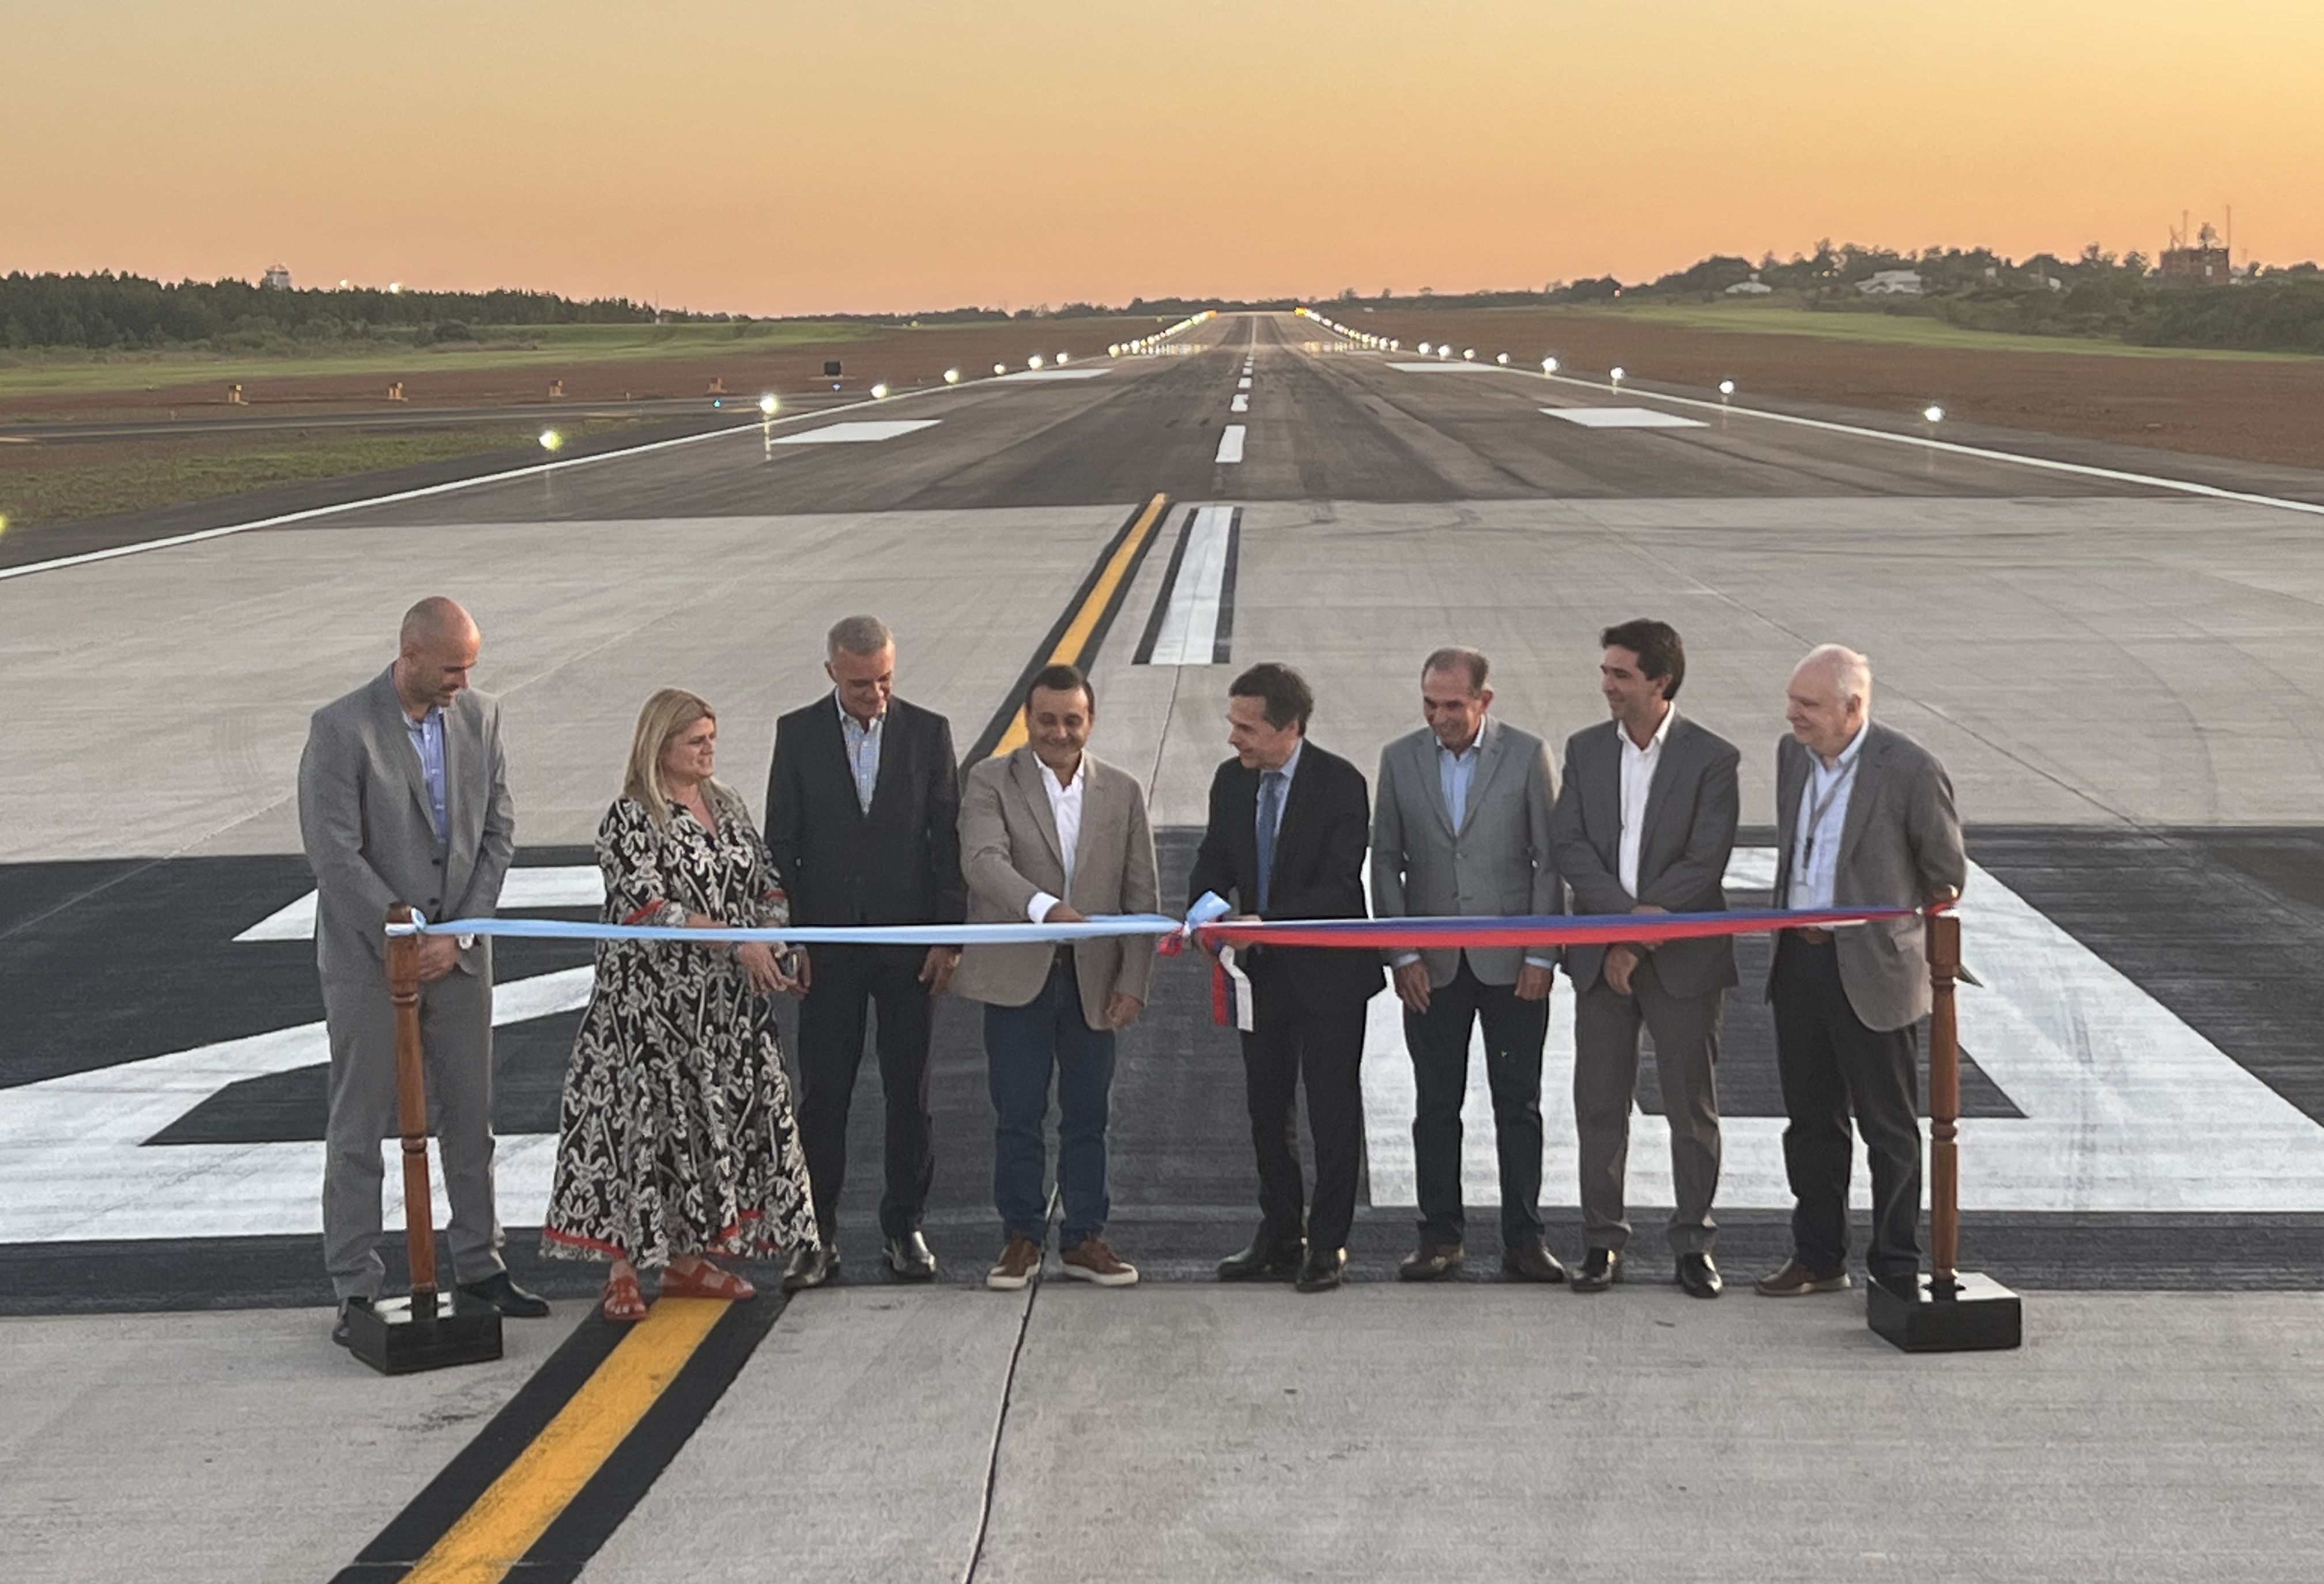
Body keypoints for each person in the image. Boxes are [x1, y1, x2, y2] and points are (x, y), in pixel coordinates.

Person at [297, 596, 547, 1347]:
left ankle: (480, 1263)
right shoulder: (340, 730)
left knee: (471, 1115)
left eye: (470, 668)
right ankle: (356, 1285)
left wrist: (460, 935)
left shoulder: (481, 717)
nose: (462, 684)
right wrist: (402, 932)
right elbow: (334, 853)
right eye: (449, 669)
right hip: (371, 959)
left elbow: (499, 832)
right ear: (408, 655)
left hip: (460, 956)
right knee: (361, 1122)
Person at [542, 690, 817, 1319]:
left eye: (711, 738)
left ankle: (688, 1257)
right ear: (660, 746)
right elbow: (648, 907)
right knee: (639, 1130)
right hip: (648, 1012)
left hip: (724, 1012)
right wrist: (735, 940)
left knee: (703, 1127)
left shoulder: (728, 804)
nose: (708, 750)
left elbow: (767, 879)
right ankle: (623, 1268)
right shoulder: (631, 818)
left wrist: (775, 941)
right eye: (696, 740)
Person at [1757, 644, 1966, 1299]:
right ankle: (1818, 1255)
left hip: (1873, 972)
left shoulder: (1908, 769)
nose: (1792, 715)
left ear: (1853, 707)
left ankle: (1896, 1264)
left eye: (1808, 705)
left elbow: (1946, 875)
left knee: (1889, 1128)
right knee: (1811, 1122)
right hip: (1801, 961)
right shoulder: (1794, 755)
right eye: (1792, 699)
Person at [764, 615, 966, 1290]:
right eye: (860, 684)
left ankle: (904, 1226)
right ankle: (814, 1234)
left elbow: (947, 840)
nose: (876, 695)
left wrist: (948, 934)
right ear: (831, 673)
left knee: (911, 1093)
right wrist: (794, 937)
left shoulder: (928, 733)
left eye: (885, 680)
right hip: (830, 949)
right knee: (824, 1093)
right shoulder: (797, 735)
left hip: (908, 946)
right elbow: (781, 843)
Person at [952, 664, 1159, 1292]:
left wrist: (1135, 979)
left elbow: (1140, 889)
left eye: (1073, 720)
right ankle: (1021, 1237)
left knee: (1089, 1112)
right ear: (1028, 719)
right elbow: (982, 861)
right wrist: (1046, 909)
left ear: (1089, 721)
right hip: (1020, 975)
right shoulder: (990, 780)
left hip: (1093, 980)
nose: (1060, 732)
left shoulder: (1121, 791)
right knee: (1018, 1111)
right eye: (1048, 719)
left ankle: (1084, 1235)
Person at [1550, 621, 1740, 1299]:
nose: (1607, 685)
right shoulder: (1583, 750)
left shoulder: (1713, 758)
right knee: (1599, 1103)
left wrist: (1635, 937)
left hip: (1680, 962)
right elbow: (1570, 847)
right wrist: (1620, 928)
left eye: (1621, 674)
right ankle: (1602, 1243)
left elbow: (1705, 862)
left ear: (1661, 682)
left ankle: (1694, 1243)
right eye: (1606, 671)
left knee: (1692, 1107)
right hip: (1603, 956)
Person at [1369, 647, 1565, 1285]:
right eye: (1430, 703)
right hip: (1433, 969)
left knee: (1519, 1104)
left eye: (1453, 704)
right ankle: (1440, 1236)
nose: (1439, 716)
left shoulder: (1528, 754)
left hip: (1513, 969)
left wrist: (1542, 951)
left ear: (1485, 700)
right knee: (1435, 1105)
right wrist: (1401, 953)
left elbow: (1549, 861)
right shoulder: (1400, 760)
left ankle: (1524, 1238)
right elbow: (1388, 861)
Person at [1189, 663, 1383, 1294]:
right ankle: (1279, 1233)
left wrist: (1263, 921)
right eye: (1233, 724)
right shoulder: (1231, 782)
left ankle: (1328, 1242)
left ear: (1289, 728)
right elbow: (1214, 861)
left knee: (1332, 1112)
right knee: (1266, 1110)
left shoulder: (1340, 784)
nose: (1233, 739)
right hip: (1261, 975)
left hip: (1328, 977)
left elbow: (1336, 887)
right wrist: (1207, 915)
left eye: (1246, 727)